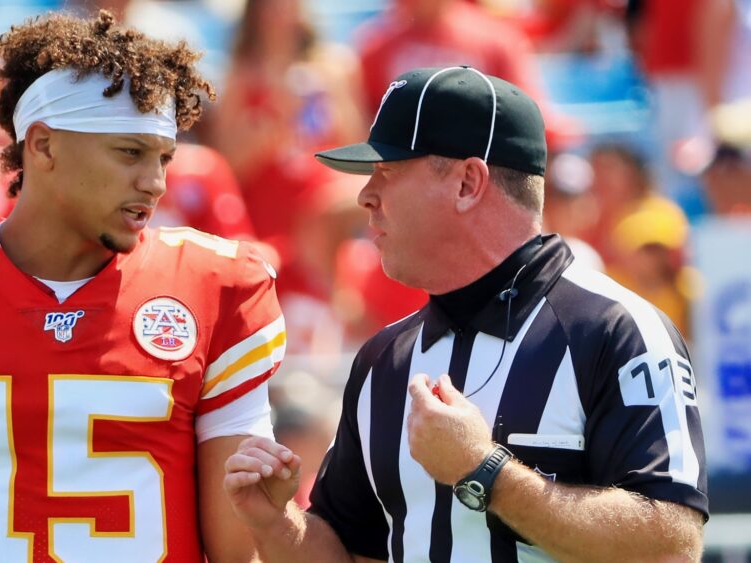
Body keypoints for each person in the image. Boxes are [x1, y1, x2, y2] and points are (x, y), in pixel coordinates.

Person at [0, 11, 285, 563]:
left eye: (163, 157)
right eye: (130, 152)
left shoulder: (218, 286)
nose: (155, 182)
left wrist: (268, 514)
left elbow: (237, 552)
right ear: (42, 146)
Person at [224, 66, 707, 562]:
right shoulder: (382, 359)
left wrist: (484, 470)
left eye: (388, 171)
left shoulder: (616, 330)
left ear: (467, 183)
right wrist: (276, 522)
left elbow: (671, 546)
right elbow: (352, 552)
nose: (365, 196)